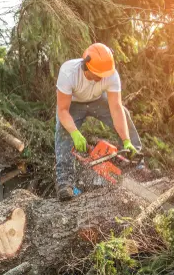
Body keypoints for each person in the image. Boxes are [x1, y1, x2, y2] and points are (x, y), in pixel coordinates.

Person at [55, 43, 142, 201]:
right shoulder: (68, 72)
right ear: (86, 65)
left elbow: (115, 108)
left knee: (124, 113)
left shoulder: (111, 74)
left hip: (97, 100)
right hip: (72, 104)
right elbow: (62, 110)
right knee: (63, 131)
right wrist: (74, 133)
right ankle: (65, 182)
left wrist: (126, 140)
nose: (101, 77)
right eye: (98, 74)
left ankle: (136, 160)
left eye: (104, 74)